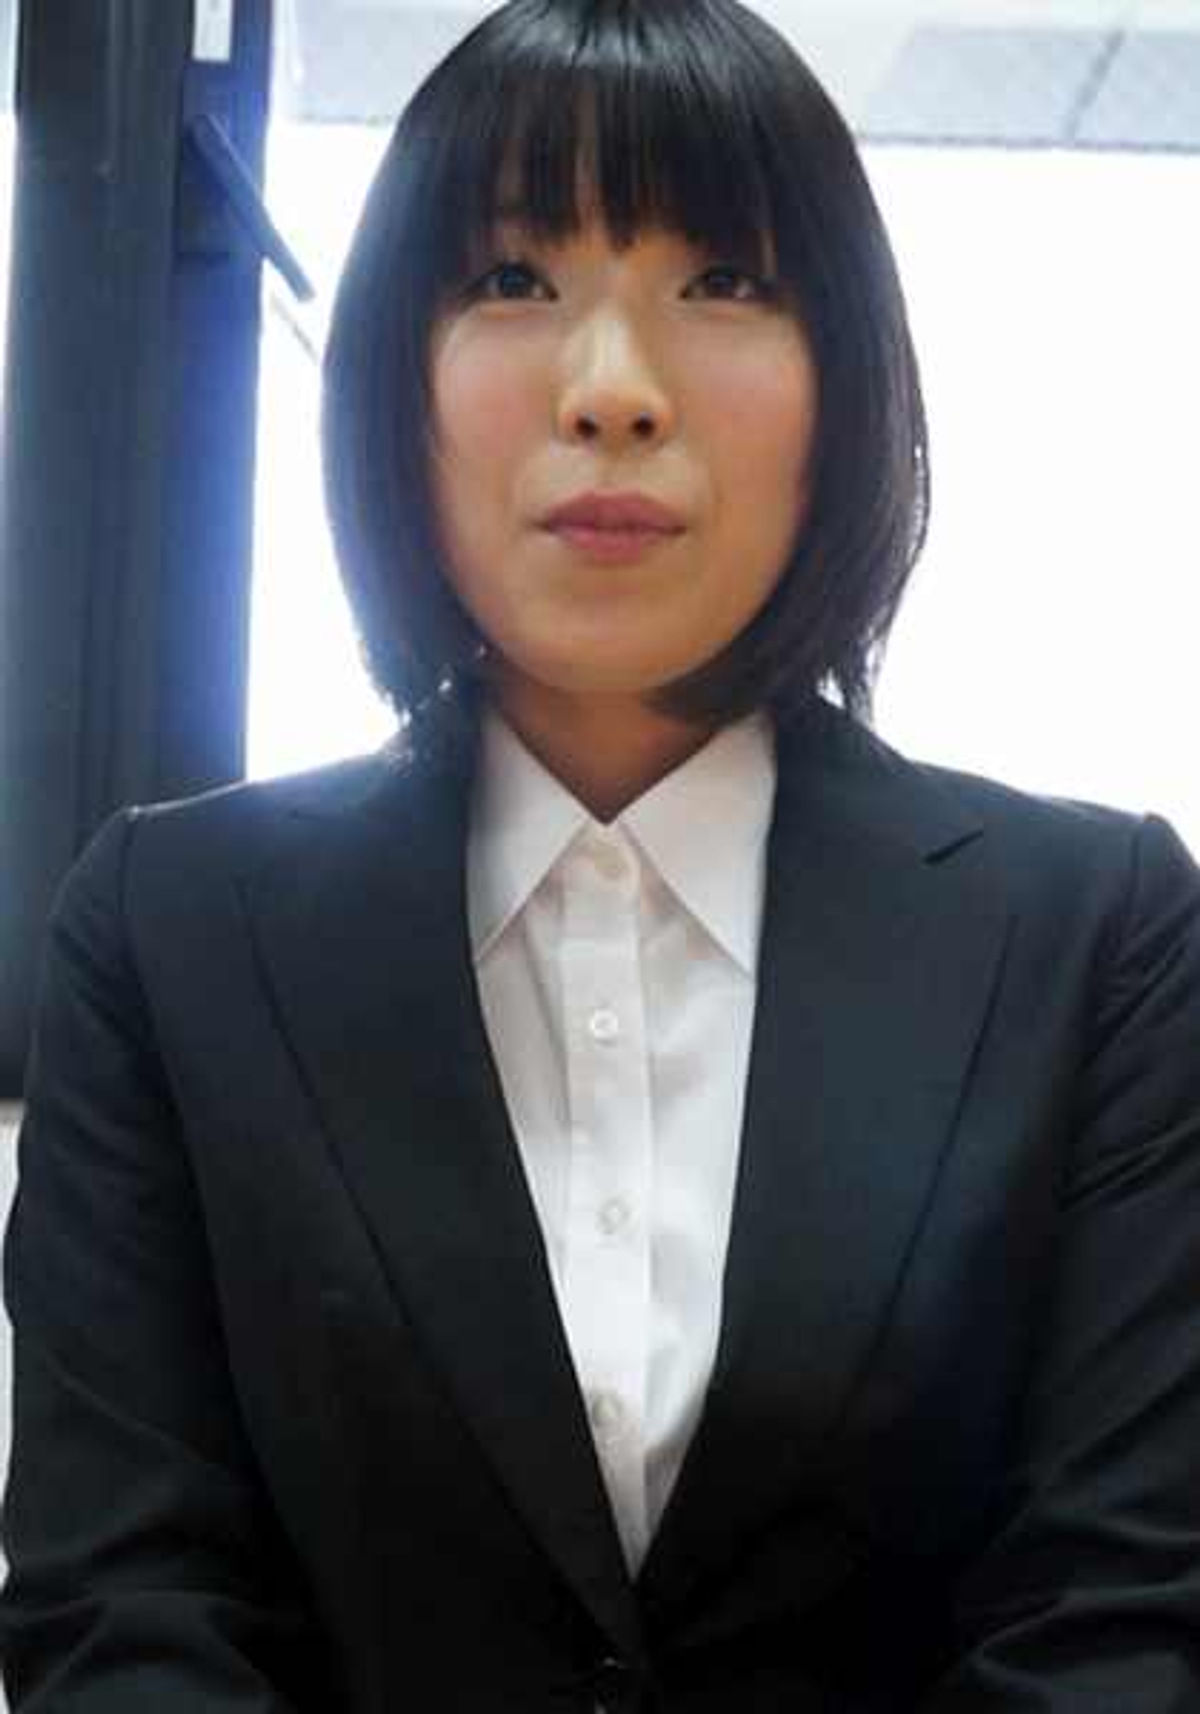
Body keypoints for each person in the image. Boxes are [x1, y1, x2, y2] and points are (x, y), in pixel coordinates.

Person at [2, 0, 1199, 1706]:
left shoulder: (1099, 937)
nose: (615, 390)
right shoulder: (169, 931)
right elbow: (121, 1610)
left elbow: (1119, 1612)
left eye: (725, 280)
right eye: (512, 278)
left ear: (849, 382)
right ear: (393, 381)